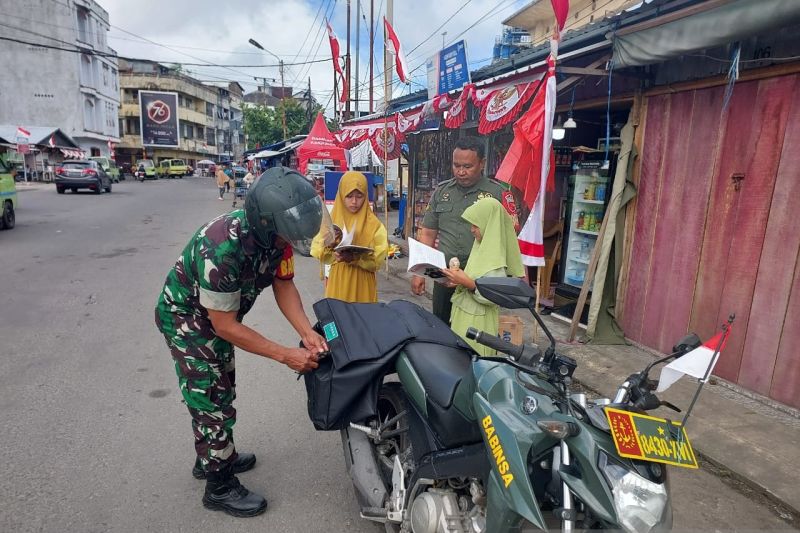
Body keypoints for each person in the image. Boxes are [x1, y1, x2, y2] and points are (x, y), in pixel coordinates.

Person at [154, 167, 328, 517]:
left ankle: (214, 456)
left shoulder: (279, 235)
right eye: (286, 239)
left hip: (217, 319)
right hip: (187, 318)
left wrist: (307, 331)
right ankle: (218, 486)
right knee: (210, 395)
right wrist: (286, 355)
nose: (289, 244)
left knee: (224, 387)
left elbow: (283, 283)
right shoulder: (221, 248)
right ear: (266, 227)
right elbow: (226, 326)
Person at [411, 137, 516, 324]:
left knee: (474, 330)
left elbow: (510, 236)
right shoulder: (442, 192)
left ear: (482, 163)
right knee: (441, 326)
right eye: (456, 165)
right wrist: (420, 273)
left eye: (467, 166)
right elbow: (428, 233)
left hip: (480, 278)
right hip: (445, 276)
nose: (461, 172)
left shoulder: (497, 194)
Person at [441, 197, 524, 355]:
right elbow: (474, 278)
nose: (472, 229)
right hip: (466, 319)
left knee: (473, 362)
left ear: (489, 224)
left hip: (478, 324)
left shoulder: (495, 258)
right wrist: (458, 280)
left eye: (476, 225)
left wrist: (467, 283)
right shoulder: (480, 248)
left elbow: (493, 296)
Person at [311, 171, 389, 303]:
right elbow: (318, 251)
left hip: (363, 283)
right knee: (339, 319)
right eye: (349, 196)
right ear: (341, 196)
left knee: (363, 319)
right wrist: (329, 248)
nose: (354, 202)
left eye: (359, 196)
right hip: (338, 280)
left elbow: (378, 261)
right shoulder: (331, 221)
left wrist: (356, 258)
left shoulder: (374, 225)